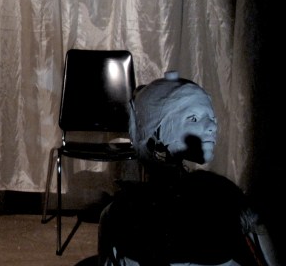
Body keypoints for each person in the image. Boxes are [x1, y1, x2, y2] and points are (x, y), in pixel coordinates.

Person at [98, 72, 267, 266]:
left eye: (211, 117)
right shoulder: (224, 198)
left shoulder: (118, 210)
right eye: (193, 118)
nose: (212, 126)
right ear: (156, 132)